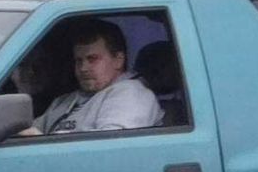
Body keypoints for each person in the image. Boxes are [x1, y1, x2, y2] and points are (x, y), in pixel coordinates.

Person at [30, 20, 163, 134]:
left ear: (118, 60)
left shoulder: (131, 94)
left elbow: (110, 147)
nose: (83, 68)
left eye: (92, 59)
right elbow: (30, 132)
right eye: (79, 60)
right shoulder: (64, 101)